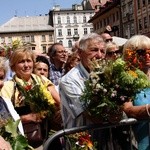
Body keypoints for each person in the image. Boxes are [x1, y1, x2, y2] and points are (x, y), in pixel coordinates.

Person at [0, 47, 61, 149]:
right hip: (27, 139)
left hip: (49, 134)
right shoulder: (8, 86)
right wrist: (27, 118)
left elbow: (59, 103)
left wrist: (54, 112)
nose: (26, 65)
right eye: (21, 62)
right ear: (13, 66)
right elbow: (4, 120)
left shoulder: (42, 81)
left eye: (29, 61)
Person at [59, 33, 106, 128]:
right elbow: (91, 114)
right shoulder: (69, 80)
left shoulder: (106, 75)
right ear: (80, 53)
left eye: (102, 51)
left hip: (106, 139)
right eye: (94, 50)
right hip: (83, 139)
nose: (99, 55)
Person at [122, 35, 150, 150]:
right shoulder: (125, 78)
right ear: (130, 54)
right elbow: (127, 109)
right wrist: (148, 109)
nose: (147, 56)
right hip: (139, 141)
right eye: (141, 52)